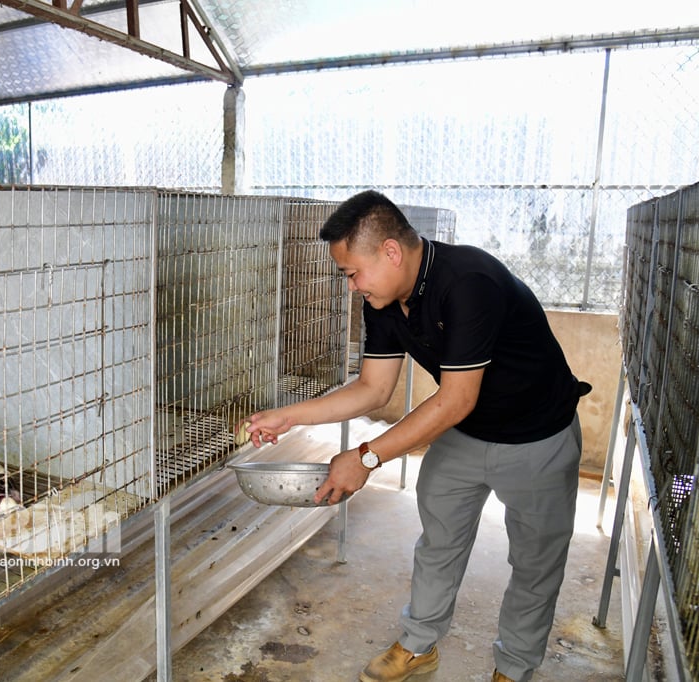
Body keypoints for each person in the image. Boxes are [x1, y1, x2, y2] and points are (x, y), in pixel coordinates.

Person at [241, 190, 589, 682]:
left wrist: (364, 458)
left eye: (352, 273)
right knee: (438, 543)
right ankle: (419, 645)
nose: (351, 287)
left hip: (537, 439)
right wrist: (289, 417)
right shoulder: (384, 299)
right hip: (465, 434)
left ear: (390, 251)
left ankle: (513, 667)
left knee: (535, 562)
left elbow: (456, 398)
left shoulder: (469, 282)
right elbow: (373, 389)